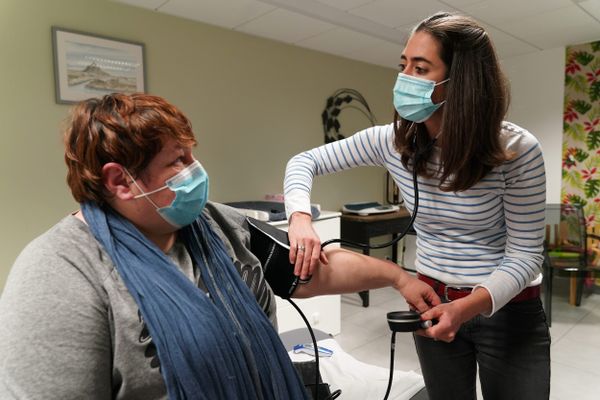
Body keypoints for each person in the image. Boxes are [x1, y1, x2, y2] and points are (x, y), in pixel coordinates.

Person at [0, 93, 439, 400]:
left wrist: (397, 275)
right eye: (178, 160)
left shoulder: (216, 224)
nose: (196, 170)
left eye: (191, 154)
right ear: (120, 181)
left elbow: (311, 270)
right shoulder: (57, 274)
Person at [284, 12, 550, 400]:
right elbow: (303, 162)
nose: (404, 77)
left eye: (420, 67)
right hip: (432, 300)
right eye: (403, 64)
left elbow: (526, 255)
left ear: (460, 82)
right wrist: (300, 217)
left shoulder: (516, 150)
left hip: (507, 310)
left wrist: (466, 308)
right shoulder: (390, 141)